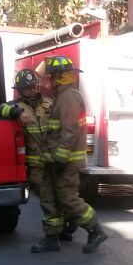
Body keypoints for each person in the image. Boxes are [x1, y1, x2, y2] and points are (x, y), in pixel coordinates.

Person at [36, 55, 108, 253]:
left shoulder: (68, 97)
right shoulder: (61, 96)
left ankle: (95, 230)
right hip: (56, 161)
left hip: (66, 162)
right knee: (50, 199)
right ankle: (52, 238)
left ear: (59, 77)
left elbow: (69, 131)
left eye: (50, 77)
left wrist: (59, 157)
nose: (48, 81)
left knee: (68, 199)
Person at [0, 69, 67, 252]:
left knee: (61, 197)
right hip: (36, 166)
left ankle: (61, 230)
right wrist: (15, 113)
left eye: (34, 86)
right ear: (19, 90)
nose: (32, 90)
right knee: (47, 200)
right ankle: (54, 235)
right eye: (27, 88)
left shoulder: (50, 103)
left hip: (55, 159)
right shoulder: (14, 107)